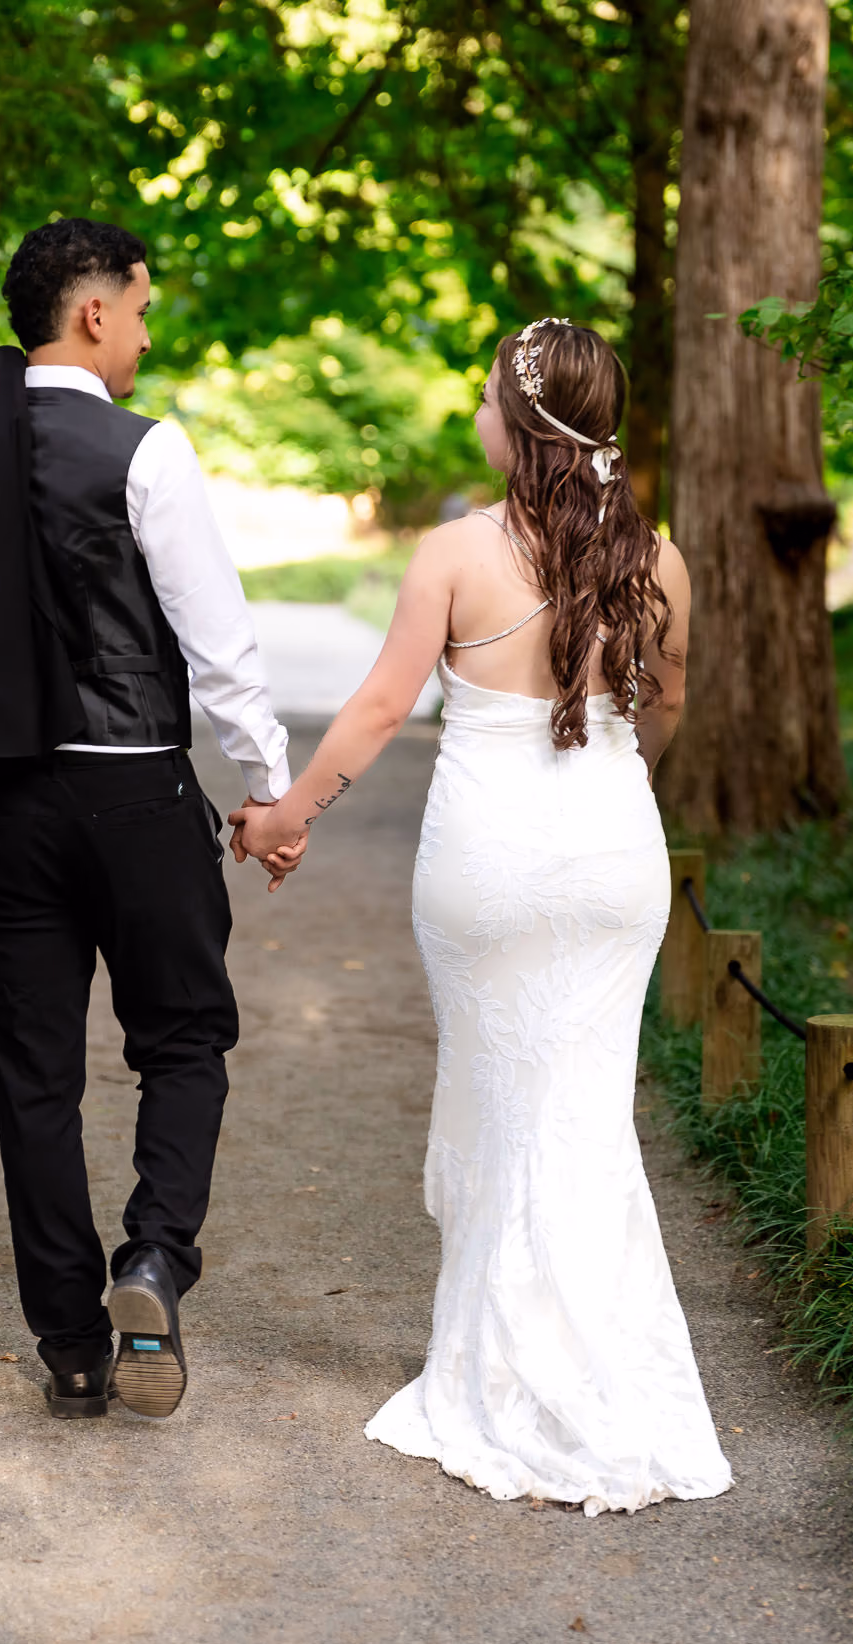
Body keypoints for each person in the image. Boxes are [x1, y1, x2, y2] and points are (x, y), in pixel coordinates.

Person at [229, 318, 731, 1513]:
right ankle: (596, 1377)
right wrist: (608, 781)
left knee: (506, 1103)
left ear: (516, 419)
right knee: (586, 1113)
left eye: (482, 395)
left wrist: (285, 816)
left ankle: (507, 1379)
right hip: (613, 852)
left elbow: (376, 709)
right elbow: (660, 716)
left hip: (490, 856)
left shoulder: (454, 552)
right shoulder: (659, 560)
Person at [0, 218, 298, 1422]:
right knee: (185, 1039)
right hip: (135, 791)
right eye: (142, 311)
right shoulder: (142, 452)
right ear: (93, 312)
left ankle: (71, 1348)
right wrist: (268, 790)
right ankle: (153, 1260)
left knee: (32, 1077)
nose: (147, 335)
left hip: (2, 803)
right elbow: (219, 647)